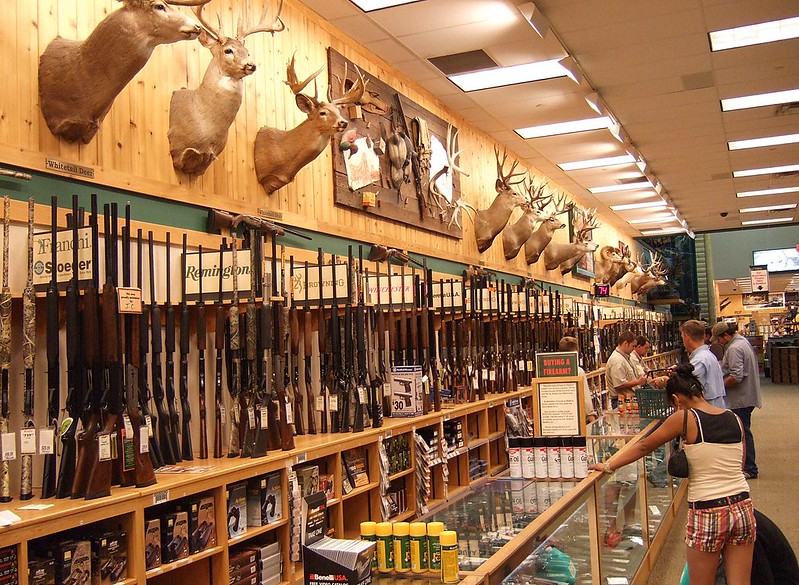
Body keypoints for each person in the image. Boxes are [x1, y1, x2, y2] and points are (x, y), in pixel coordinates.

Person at [589, 364, 756, 585]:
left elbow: (643, 446)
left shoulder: (685, 418)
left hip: (708, 509)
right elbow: (740, 463)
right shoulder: (733, 418)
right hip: (742, 506)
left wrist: (609, 465)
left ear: (677, 400)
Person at [711, 322, 763, 480]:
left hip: (740, 399)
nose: (719, 343)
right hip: (746, 397)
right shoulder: (742, 342)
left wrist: (718, 388)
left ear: (726, 335)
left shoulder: (734, 348)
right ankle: (746, 466)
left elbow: (736, 376)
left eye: (719, 339)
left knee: (743, 433)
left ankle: (749, 468)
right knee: (744, 431)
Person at [682, 320, 726, 407]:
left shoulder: (699, 360)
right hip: (716, 407)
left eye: (682, 337)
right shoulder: (708, 355)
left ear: (687, 337)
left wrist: (665, 380)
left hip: (708, 412)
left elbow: (688, 387)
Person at [604, 330, 647, 410]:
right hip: (621, 402)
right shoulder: (617, 360)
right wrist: (638, 382)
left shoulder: (625, 357)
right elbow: (619, 384)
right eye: (633, 346)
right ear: (626, 344)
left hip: (629, 400)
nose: (634, 349)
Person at [558, 336, 596, 423]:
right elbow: (585, 398)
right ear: (575, 351)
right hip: (575, 418)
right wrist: (592, 417)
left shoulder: (550, 370)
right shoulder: (578, 371)